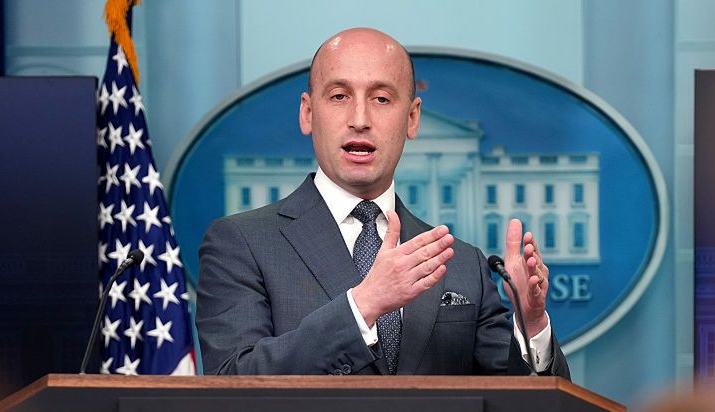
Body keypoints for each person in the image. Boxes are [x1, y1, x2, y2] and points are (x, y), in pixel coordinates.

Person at [196, 28, 570, 378]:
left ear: (411, 118)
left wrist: (531, 322)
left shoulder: (462, 265)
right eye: (339, 96)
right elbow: (232, 381)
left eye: (381, 99)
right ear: (308, 113)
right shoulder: (241, 243)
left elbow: (525, 410)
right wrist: (363, 306)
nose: (360, 120)